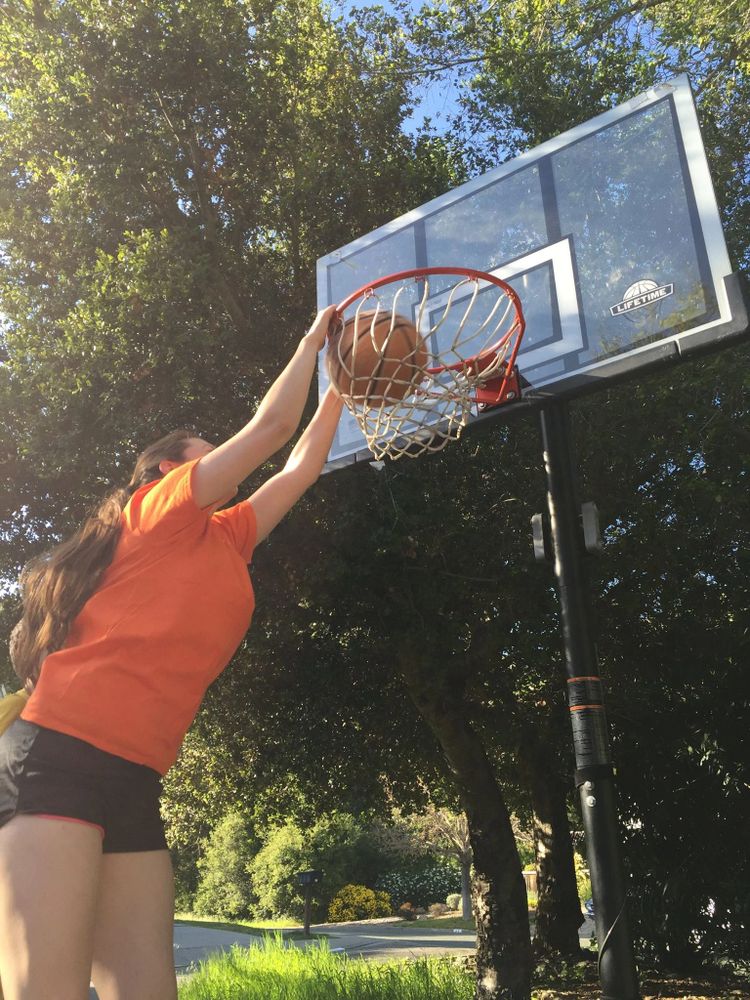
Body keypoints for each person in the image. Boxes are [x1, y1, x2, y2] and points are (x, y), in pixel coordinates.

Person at [0, 305, 343, 1000]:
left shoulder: (231, 536)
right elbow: (274, 430)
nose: (222, 456)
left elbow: (301, 465)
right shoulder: (155, 510)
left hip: (134, 776)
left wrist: (346, 384)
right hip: (56, 759)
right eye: (205, 447)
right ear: (165, 468)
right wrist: (313, 343)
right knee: (46, 992)